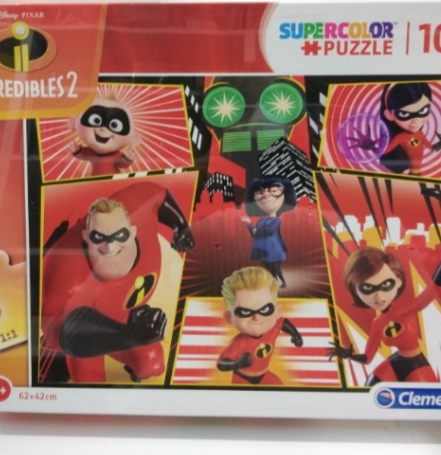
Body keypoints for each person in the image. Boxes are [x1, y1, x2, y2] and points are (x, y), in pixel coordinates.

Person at [41, 181, 195, 383]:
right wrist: (125, 336)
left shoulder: (140, 207)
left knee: (152, 363)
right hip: (91, 331)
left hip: (125, 319)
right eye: (99, 237)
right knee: (90, 386)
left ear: (133, 231)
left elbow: (159, 193)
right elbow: (57, 331)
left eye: (119, 235)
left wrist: (181, 226)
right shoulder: (66, 274)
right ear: (86, 237)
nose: (110, 246)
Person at [328, 247, 438, 385]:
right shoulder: (378, 323)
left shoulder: (406, 310)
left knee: (424, 395)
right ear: (355, 290)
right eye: (367, 288)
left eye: (385, 284)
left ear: (398, 280)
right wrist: (349, 355)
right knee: (371, 386)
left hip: (417, 364)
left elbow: (435, 287)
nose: (378, 295)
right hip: (396, 363)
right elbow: (367, 358)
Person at [217, 266, 303, 385]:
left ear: (277, 312)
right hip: (242, 378)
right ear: (229, 318)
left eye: (265, 309)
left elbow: (282, 322)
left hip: (264, 375)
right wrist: (238, 364)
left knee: (279, 386)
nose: (256, 317)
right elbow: (221, 364)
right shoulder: (239, 343)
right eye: (245, 312)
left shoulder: (272, 329)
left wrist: (295, 334)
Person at [379, 82, 441, 175]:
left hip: (416, 174)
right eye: (404, 114)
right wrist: (371, 146)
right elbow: (385, 151)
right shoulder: (400, 137)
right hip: (411, 175)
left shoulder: (420, 134)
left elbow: (433, 148)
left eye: (423, 110)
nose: (415, 120)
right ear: (389, 115)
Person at [241, 175, 296, 288]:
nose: (266, 195)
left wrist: (257, 230)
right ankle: (274, 281)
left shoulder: (276, 220)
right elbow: (255, 234)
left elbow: (266, 231)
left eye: (274, 191)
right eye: (259, 192)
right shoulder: (262, 220)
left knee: (275, 268)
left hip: (274, 250)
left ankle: (283, 283)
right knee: (268, 268)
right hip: (262, 249)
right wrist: (249, 223)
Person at [68, 92, 141, 176]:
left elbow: (122, 164)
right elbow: (83, 154)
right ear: (73, 123)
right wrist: (76, 150)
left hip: (113, 182)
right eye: (96, 120)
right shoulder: (92, 153)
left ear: (133, 138)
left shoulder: (115, 155)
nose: (103, 128)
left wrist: (128, 158)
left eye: (114, 125)